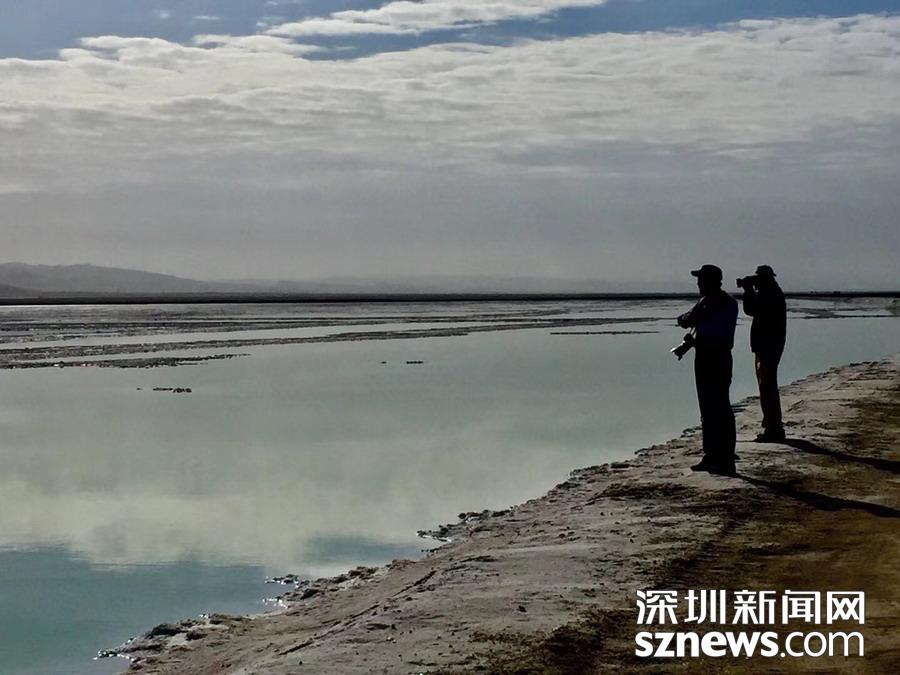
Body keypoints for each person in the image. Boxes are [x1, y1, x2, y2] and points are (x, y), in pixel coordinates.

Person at [677, 264, 739, 476]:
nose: (698, 284)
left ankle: (719, 456)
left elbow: (688, 320)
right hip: (718, 356)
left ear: (710, 281)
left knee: (713, 407)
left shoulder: (712, 302)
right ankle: (718, 455)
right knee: (718, 407)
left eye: (701, 280)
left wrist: (685, 320)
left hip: (711, 358)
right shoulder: (727, 301)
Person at [740, 265, 787, 442]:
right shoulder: (771, 292)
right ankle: (772, 425)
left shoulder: (770, 293)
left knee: (767, 385)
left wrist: (748, 290)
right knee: (766, 385)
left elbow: (752, 309)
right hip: (768, 344)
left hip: (768, 345)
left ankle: (773, 428)